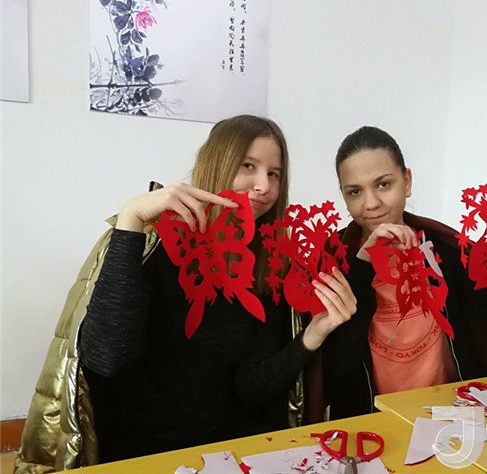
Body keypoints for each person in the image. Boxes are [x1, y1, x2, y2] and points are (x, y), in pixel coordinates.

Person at [15, 115, 356, 472]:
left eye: (274, 174)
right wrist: (130, 218)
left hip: (226, 444)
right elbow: (107, 358)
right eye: (248, 166)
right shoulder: (152, 242)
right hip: (140, 447)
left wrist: (311, 336)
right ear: (218, 163)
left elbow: (249, 388)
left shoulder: (268, 260)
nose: (263, 186)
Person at [321, 126, 487, 420]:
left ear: (407, 181)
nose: (371, 203)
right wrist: (363, 267)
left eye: (383, 184)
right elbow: (334, 368)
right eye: (355, 191)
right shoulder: (330, 263)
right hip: (369, 427)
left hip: (448, 421)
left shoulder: (447, 252)